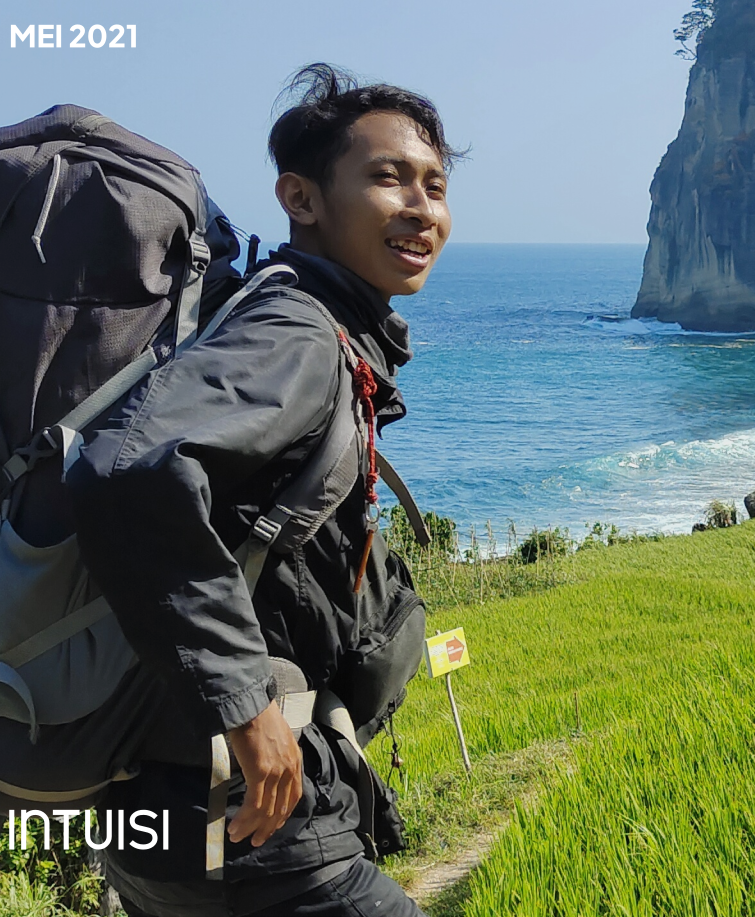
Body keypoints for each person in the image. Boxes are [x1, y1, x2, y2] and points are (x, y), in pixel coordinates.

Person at [66, 63, 455, 916]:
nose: (422, 209)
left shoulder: (296, 315)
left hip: (178, 813)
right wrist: (246, 705)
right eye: (388, 178)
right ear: (301, 198)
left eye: (435, 184)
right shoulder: (298, 330)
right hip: (251, 826)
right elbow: (129, 471)